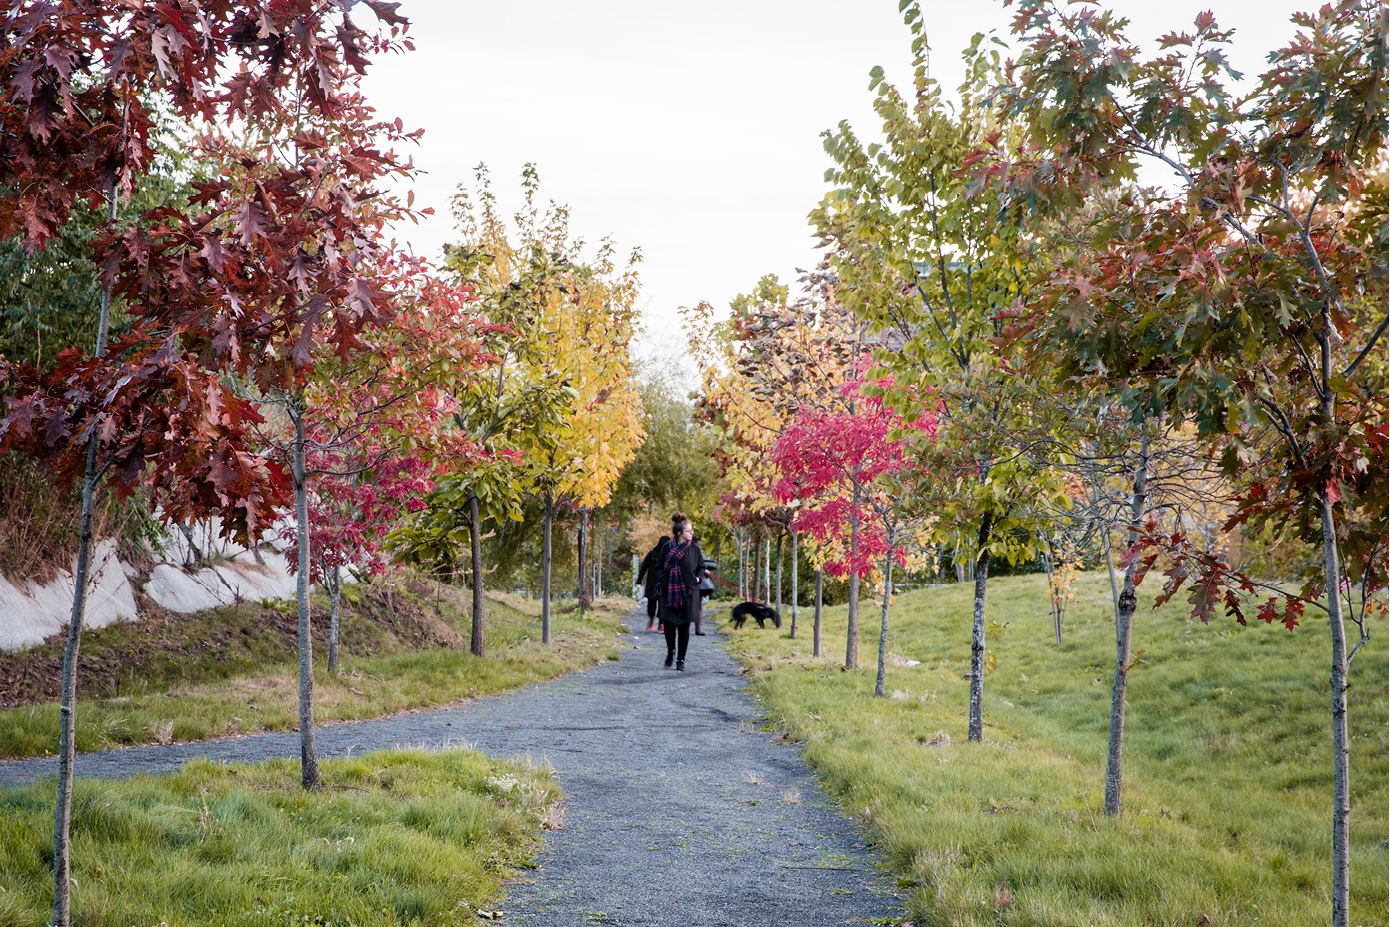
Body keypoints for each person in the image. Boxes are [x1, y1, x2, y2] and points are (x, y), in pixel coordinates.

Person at [659, 512, 704, 671]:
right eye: (688, 531)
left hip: (689, 593)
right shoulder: (667, 547)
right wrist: (663, 579)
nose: (691, 533)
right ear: (679, 533)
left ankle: (681, 660)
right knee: (669, 625)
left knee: (684, 627)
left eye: (691, 531)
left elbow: (701, 567)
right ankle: (671, 652)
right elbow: (659, 567)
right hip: (669, 593)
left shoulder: (695, 550)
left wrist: (698, 578)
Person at [636, 534, 670, 632]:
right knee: (651, 604)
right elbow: (644, 567)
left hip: (663, 583)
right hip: (652, 583)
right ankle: (651, 619)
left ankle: (661, 623)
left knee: (662, 604)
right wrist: (639, 580)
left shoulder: (669, 556)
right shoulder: (652, 554)